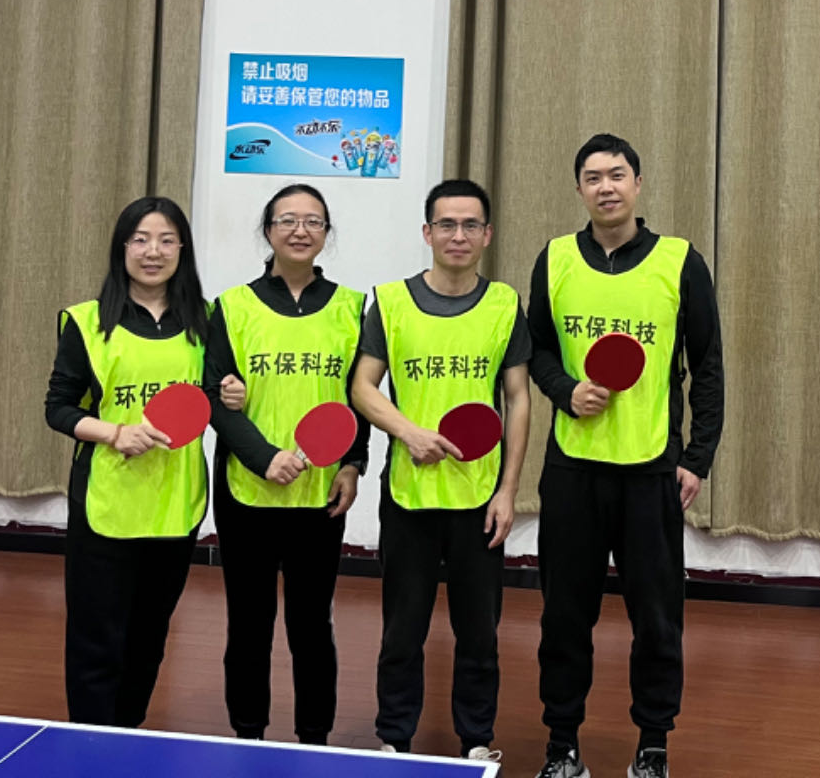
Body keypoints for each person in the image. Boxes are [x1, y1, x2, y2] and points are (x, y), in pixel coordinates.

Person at [527, 135, 725, 778]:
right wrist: (565, 390)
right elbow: (538, 350)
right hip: (572, 467)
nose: (605, 187)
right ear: (579, 189)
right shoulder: (555, 259)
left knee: (658, 619)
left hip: (651, 470)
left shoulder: (680, 262)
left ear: (638, 184)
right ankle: (562, 747)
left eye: (617, 175)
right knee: (564, 616)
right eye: (593, 177)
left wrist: (697, 457)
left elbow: (707, 366)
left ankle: (653, 746)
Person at [350, 177, 532, 762]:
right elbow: (363, 387)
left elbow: (518, 399)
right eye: (447, 224)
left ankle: (477, 739)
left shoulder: (504, 305)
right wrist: (408, 432)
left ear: (487, 235)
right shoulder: (391, 302)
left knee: (479, 631)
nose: (459, 235)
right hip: (409, 493)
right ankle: (393, 736)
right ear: (427, 233)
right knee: (403, 628)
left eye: (470, 225)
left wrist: (508, 491)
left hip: (479, 496)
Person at [205, 183, 368, 746]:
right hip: (246, 493)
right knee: (249, 624)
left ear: (326, 233)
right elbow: (213, 398)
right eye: (288, 220)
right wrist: (263, 458)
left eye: (313, 221)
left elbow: (360, 397)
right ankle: (248, 733)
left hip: (320, 495)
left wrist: (353, 465)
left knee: (312, 624)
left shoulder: (353, 307)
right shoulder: (230, 307)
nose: (301, 230)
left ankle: (314, 737)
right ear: (268, 230)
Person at [43, 195, 211, 728]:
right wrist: (114, 433)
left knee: (149, 633)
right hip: (107, 501)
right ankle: (92, 738)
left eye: (166, 240)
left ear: (182, 250)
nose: (152, 251)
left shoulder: (206, 322)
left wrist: (229, 392)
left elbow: (212, 397)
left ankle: (127, 731)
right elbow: (59, 408)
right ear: (122, 248)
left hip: (175, 502)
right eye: (140, 240)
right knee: (97, 635)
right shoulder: (87, 321)